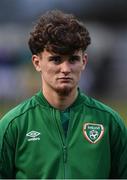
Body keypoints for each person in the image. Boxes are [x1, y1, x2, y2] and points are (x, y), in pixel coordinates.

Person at [0, 10, 127, 179]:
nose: (65, 69)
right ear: (37, 63)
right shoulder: (13, 125)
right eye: (56, 59)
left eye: (73, 59)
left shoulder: (110, 123)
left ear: (84, 61)